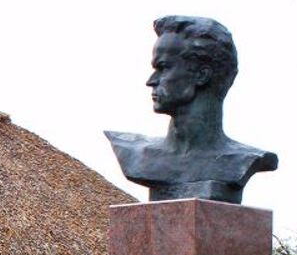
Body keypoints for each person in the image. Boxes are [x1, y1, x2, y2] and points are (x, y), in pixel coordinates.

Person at [105, 16, 277, 204]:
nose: (151, 81)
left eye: (163, 68)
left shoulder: (242, 161)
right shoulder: (135, 153)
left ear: (201, 75)